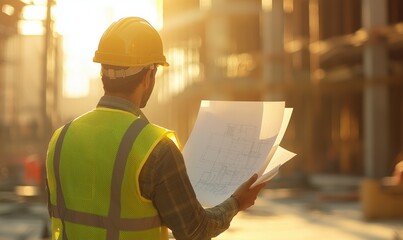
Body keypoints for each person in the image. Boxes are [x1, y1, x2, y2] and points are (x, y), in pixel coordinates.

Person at [46, 16, 266, 240]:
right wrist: (236, 202)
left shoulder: (60, 140)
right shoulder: (155, 149)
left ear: (102, 72)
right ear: (149, 75)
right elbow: (195, 231)